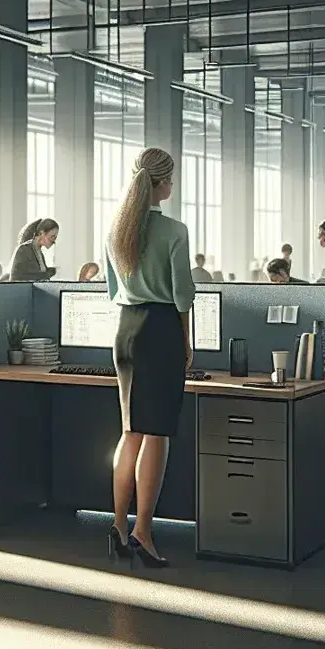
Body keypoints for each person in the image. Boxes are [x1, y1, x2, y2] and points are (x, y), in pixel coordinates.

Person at [102, 148, 191, 569]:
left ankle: (119, 527)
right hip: (160, 332)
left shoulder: (115, 229)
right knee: (156, 434)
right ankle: (144, 531)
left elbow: (109, 289)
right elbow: (182, 297)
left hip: (125, 332)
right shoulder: (174, 231)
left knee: (130, 432)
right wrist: (186, 343)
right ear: (164, 184)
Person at [10, 218, 60, 283]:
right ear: (41, 233)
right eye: (52, 237)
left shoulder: (39, 253)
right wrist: (46, 274)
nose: (53, 241)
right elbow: (17, 276)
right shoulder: (24, 250)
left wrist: (49, 271)